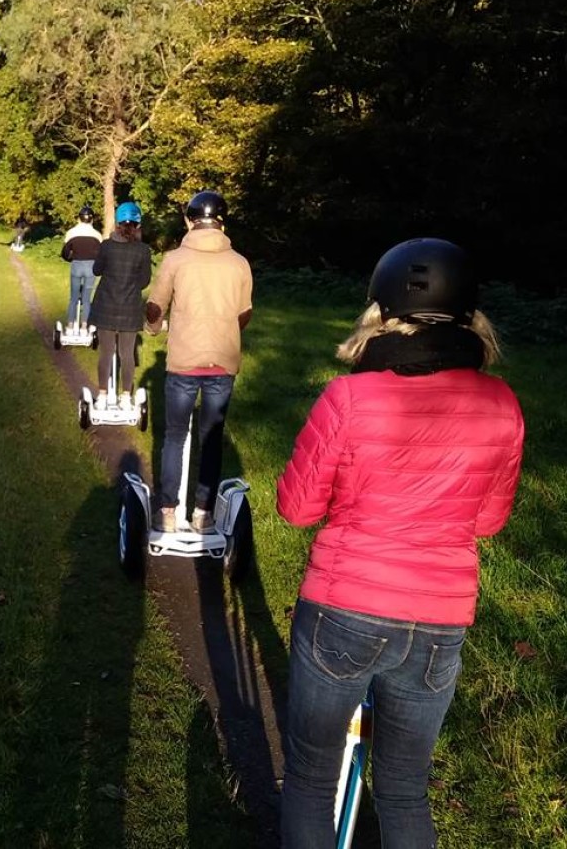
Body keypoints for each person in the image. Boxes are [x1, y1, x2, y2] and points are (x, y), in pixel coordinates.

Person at [276, 238, 525, 849]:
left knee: (310, 777)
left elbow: (296, 506)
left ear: (380, 312)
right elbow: (488, 522)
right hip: (439, 620)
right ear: (470, 316)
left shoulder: (349, 397)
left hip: (345, 608)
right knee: (406, 787)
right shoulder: (501, 403)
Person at [144, 190, 252, 534]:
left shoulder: (175, 259)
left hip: (184, 361)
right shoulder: (239, 262)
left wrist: (152, 326)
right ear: (223, 221)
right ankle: (204, 513)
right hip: (223, 361)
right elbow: (244, 314)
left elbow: (155, 306)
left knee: (175, 435)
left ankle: (168, 512)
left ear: (190, 220)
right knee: (212, 437)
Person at [88, 201, 151, 411]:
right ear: (137, 224)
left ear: (116, 223)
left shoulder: (106, 246)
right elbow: (144, 281)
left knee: (106, 352)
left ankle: (103, 395)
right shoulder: (143, 250)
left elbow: (97, 271)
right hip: (130, 309)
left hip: (106, 305)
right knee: (127, 354)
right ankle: (126, 397)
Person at [60, 205, 104, 330]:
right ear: (92, 219)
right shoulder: (97, 235)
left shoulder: (71, 233)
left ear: (79, 219)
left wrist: (70, 259)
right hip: (91, 267)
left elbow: (64, 253)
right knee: (86, 298)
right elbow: (101, 254)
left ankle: (70, 325)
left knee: (73, 297)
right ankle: (85, 326)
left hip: (76, 265)